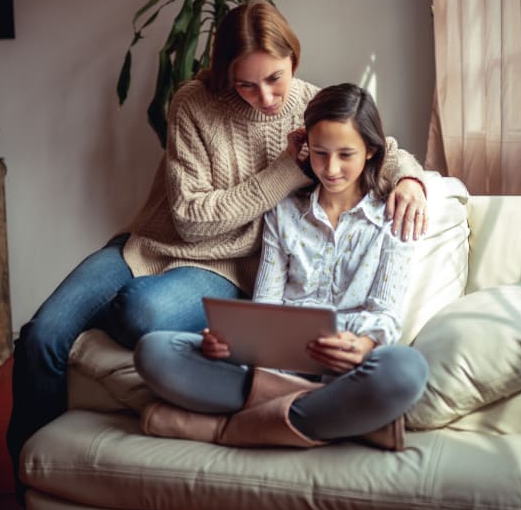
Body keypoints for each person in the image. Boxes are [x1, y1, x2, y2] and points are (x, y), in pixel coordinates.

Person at [7, 0, 431, 485]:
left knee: (139, 315)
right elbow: (189, 221)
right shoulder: (191, 103)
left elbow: (381, 148)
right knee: (41, 335)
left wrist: (411, 183)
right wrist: (284, 173)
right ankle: (28, 477)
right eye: (245, 83)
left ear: (293, 59)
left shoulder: (311, 106)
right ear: (224, 72)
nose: (266, 97)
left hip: (225, 267)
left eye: (275, 78)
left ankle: (245, 424)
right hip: (149, 245)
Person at [133, 83, 429, 450]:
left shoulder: (393, 216)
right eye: (320, 153)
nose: (331, 168)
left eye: (345, 154)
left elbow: (385, 312)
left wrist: (365, 345)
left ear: (370, 151)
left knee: (405, 371)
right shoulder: (285, 211)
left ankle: (229, 428)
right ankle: (336, 420)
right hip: (274, 364)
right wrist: (235, 342)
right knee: (155, 351)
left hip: (344, 369)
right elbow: (266, 304)